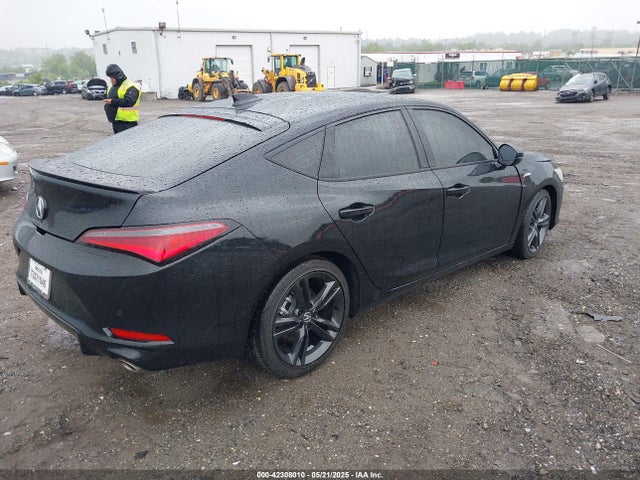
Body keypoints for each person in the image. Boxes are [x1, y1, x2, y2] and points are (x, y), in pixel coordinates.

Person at [103, 64, 141, 134]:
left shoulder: (131, 86)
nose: (111, 80)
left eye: (112, 78)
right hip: (116, 121)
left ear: (118, 76)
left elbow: (129, 101)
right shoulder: (113, 87)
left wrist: (112, 101)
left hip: (128, 122)